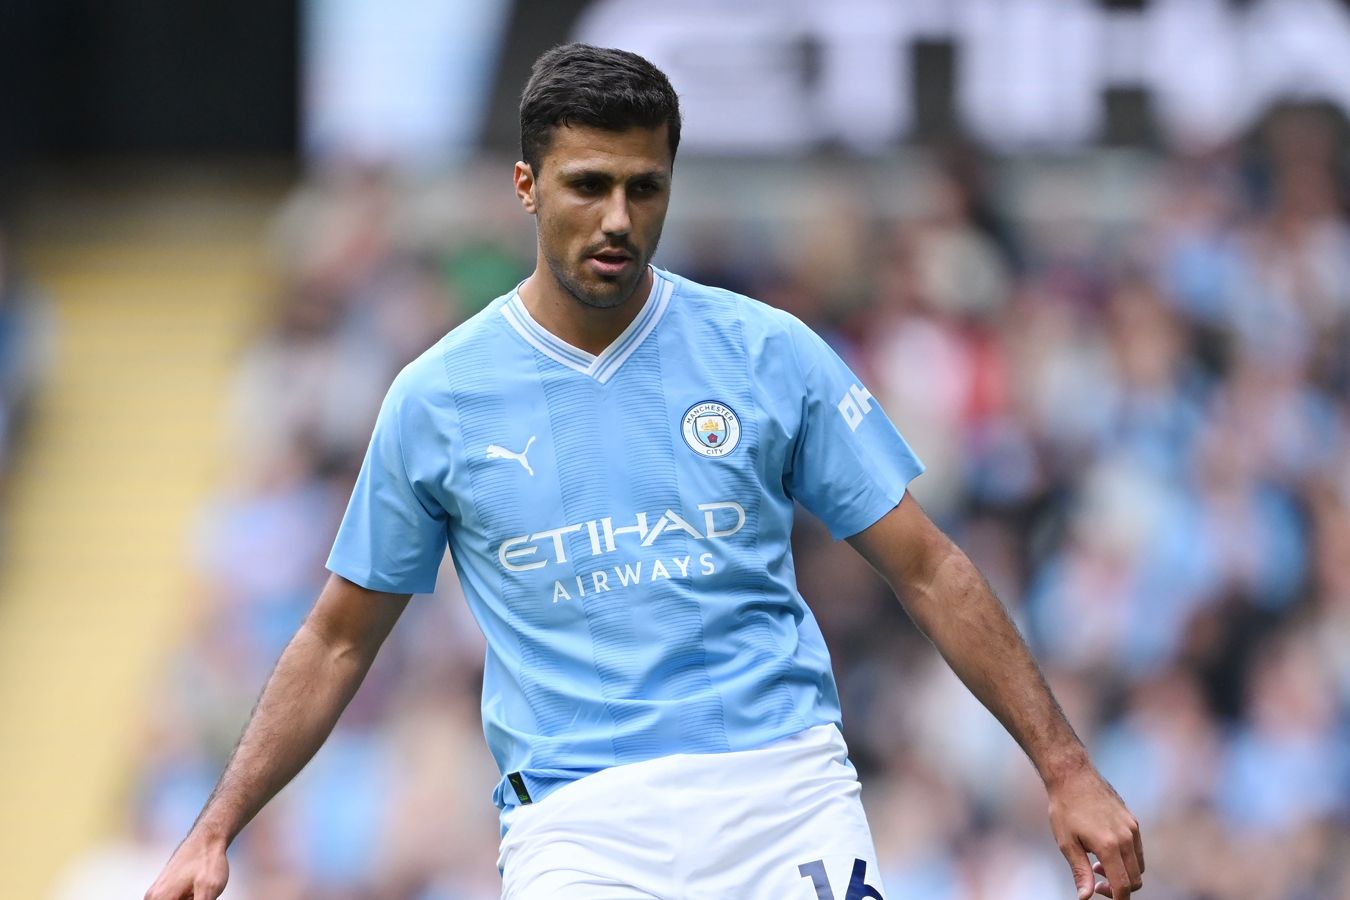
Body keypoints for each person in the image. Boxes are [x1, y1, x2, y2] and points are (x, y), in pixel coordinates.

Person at [146, 43, 1144, 900]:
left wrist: (1065, 769)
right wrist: (214, 828)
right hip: (580, 826)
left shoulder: (765, 351)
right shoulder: (438, 398)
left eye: (645, 187)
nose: (619, 217)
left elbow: (928, 567)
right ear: (528, 187)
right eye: (589, 185)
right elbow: (336, 640)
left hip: (782, 794)